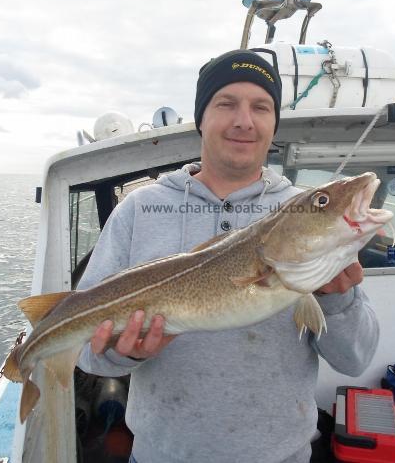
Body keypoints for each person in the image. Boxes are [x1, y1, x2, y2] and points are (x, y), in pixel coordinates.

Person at [76, 49, 379, 463]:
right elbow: (89, 355)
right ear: (202, 118)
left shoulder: (303, 213)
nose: (244, 120)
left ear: (274, 124)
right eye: (226, 104)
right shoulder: (139, 209)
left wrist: (336, 297)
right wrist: (125, 352)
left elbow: (355, 360)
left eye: (261, 107)